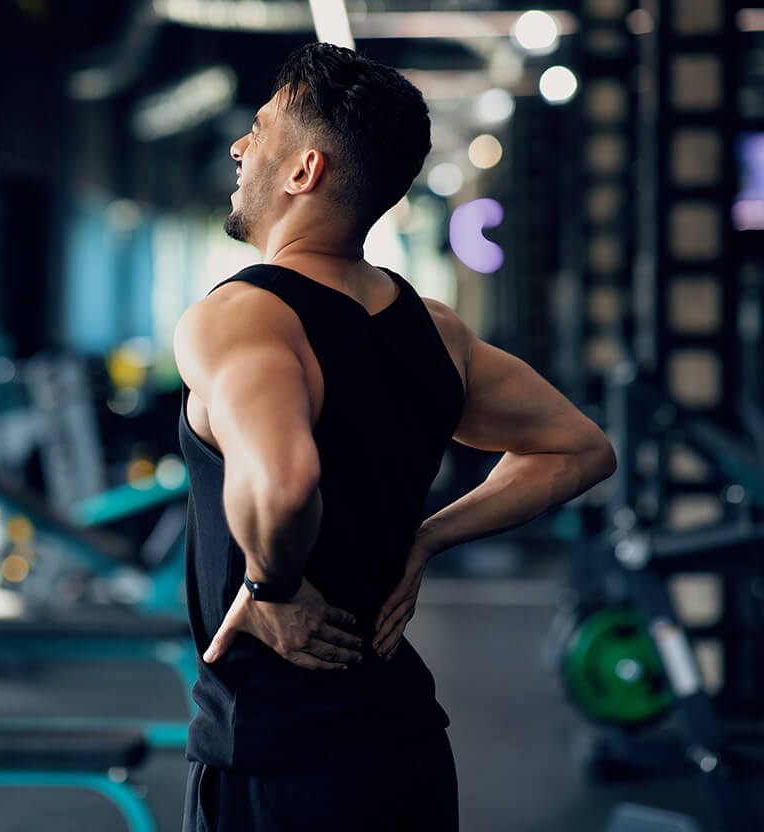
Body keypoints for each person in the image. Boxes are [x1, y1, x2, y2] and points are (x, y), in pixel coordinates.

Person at [174, 43, 616, 832]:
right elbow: (580, 448)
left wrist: (273, 584)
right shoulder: (436, 331)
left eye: (259, 128)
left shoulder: (240, 315)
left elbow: (282, 482)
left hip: (279, 760)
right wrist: (425, 539)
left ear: (302, 170)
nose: (240, 147)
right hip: (404, 747)